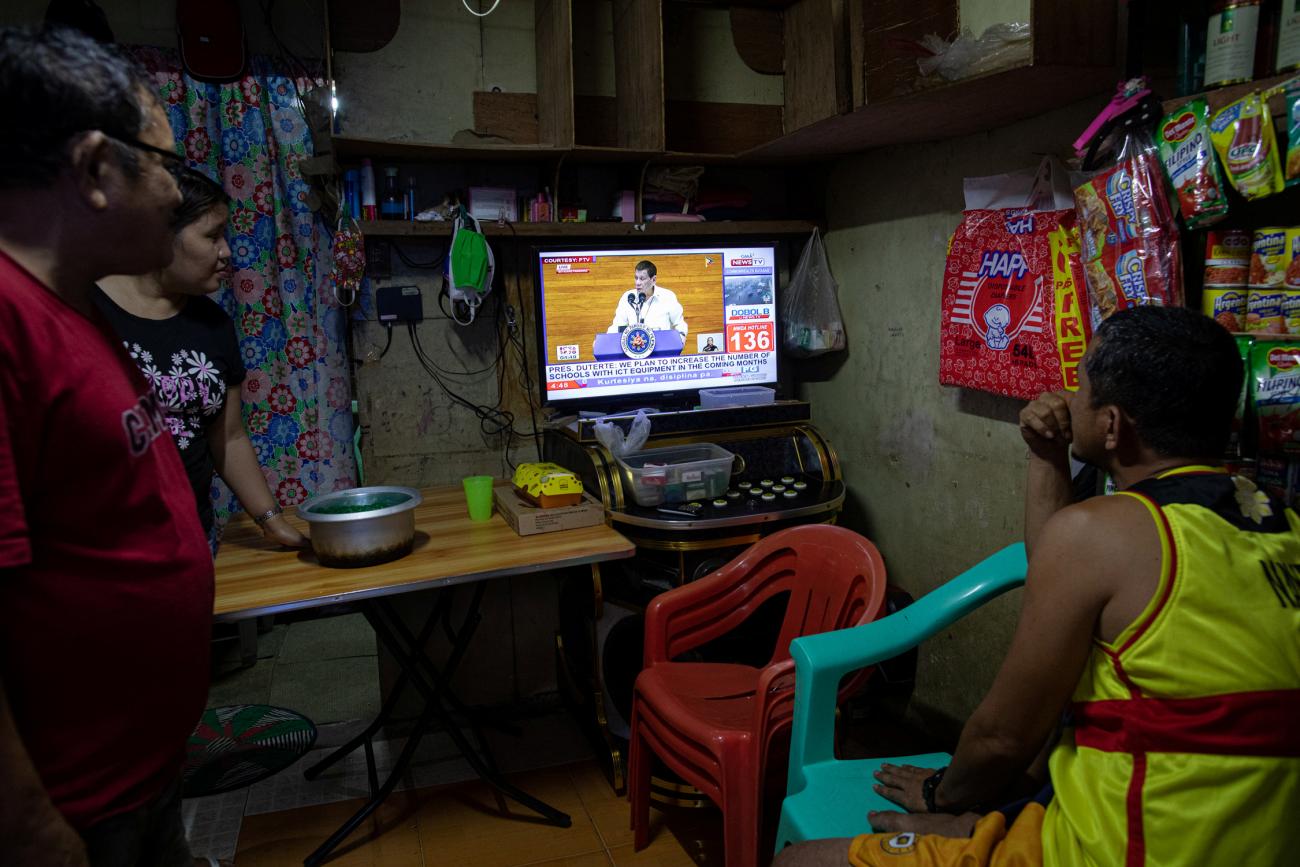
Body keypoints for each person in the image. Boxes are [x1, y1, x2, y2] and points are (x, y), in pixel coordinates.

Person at [775, 306, 1300, 867]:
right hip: (1249, 837)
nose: (1068, 397)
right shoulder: (1280, 527)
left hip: (1132, 849)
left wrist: (939, 793)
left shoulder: (1106, 532)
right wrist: (1045, 455)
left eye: (1081, 385)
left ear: (1113, 425)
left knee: (798, 862)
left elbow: (1003, 739)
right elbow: (1055, 570)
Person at [0, 26, 213, 867]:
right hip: (72, 809)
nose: (174, 192)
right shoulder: (8, 322)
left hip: (133, 781)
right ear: (95, 169)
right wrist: (28, 830)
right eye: (160, 162)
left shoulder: (74, 307)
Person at [97, 169, 307, 551]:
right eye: (211, 236)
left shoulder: (213, 325)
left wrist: (272, 521)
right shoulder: (83, 313)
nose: (226, 251)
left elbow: (228, 435)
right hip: (105, 549)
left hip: (190, 537)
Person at [608, 259, 688, 338]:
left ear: (653, 280)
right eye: (636, 278)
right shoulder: (628, 298)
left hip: (663, 348)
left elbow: (680, 325)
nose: (637, 283)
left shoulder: (667, 297)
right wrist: (604, 342)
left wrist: (679, 342)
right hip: (635, 348)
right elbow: (617, 326)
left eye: (642, 279)